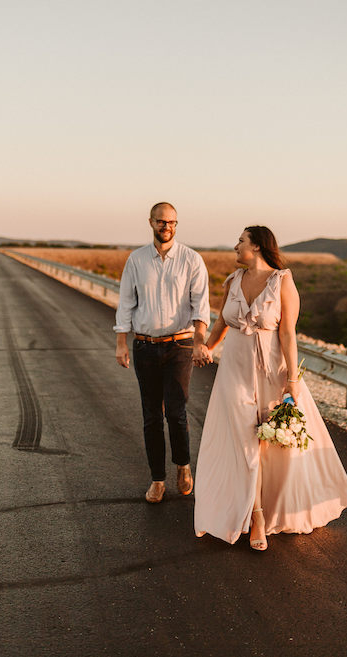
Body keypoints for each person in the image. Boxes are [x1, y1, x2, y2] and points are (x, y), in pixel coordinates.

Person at [194, 226, 347, 549]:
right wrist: (208, 348)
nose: (236, 246)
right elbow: (221, 322)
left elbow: (287, 334)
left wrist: (293, 380)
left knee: (269, 444)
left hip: (272, 371)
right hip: (234, 373)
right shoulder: (232, 281)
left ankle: (273, 506)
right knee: (243, 443)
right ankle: (256, 517)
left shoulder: (283, 282)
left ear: (256, 246)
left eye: (241, 241)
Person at [114, 202, 211, 503]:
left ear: (176, 225)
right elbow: (126, 302)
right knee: (151, 416)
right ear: (151, 222)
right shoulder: (137, 259)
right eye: (161, 222)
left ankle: (182, 465)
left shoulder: (191, 259)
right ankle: (157, 480)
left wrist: (200, 339)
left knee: (177, 412)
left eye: (171, 222)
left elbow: (200, 304)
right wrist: (121, 342)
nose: (166, 227)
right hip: (144, 345)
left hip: (180, 345)